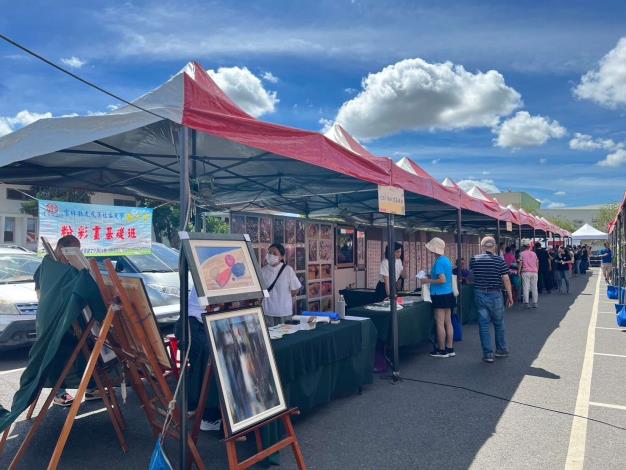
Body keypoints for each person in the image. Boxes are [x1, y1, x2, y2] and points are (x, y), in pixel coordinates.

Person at [33, 235, 102, 407]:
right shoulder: (48, 265)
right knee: (57, 354)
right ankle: (59, 393)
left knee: (86, 349)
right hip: (53, 319)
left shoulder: (70, 267)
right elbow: (41, 294)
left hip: (75, 317)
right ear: (59, 249)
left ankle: (91, 387)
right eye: (68, 253)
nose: (68, 258)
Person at [175, 288, 223, 432]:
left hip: (200, 323)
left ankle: (194, 405)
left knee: (200, 367)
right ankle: (208, 416)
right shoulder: (208, 275)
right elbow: (217, 303)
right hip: (193, 324)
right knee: (206, 365)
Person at [470, 236, 514, 363]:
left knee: (483, 325)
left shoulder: (474, 259)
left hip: (480, 293)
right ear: (494, 247)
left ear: (482, 246)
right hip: (496, 294)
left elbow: (473, 276)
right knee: (499, 323)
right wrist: (510, 296)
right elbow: (505, 278)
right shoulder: (500, 261)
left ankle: (488, 354)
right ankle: (501, 350)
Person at [422, 237, 455, 358]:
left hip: (439, 295)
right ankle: (450, 348)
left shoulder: (439, 262)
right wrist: (432, 276)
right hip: (448, 294)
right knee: (448, 322)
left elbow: (442, 279)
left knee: (440, 323)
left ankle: (442, 350)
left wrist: (427, 280)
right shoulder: (446, 260)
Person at [261, 243, 301, 326]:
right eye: (269, 253)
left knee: (285, 337)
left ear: (282, 257)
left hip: (284, 313)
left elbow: (295, 290)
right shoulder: (262, 271)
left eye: (274, 253)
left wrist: (284, 297)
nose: (271, 255)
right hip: (267, 312)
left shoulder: (288, 270)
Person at [519, 244, 539, 308]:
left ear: (524, 247)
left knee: (526, 287)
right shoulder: (534, 254)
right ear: (530, 247)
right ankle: (535, 303)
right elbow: (537, 262)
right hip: (534, 272)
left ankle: (526, 303)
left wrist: (519, 271)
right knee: (534, 288)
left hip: (525, 272)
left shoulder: (521, 254)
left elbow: (520, 263)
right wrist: (537, 270)